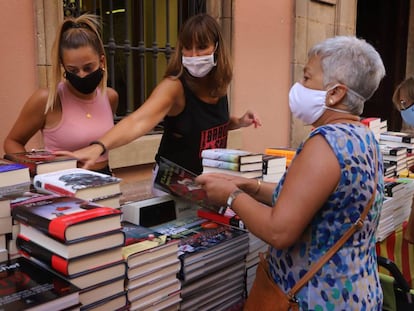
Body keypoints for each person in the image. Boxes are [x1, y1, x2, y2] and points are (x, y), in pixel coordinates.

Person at [196, 36, 386, 310]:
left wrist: (232, 195)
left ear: (335, 93)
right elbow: (308, 200)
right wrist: (251, 186)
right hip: (355, 290)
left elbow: (279, 230)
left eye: (307, 78)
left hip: (314, 296)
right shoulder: (363, 138)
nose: (299, 86)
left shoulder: (325, 144)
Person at [57, 13, 260, 180]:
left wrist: (238, 121)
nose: (194, 55)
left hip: (210, 183)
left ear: (217, 48)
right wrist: (99, 147)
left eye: (201, 47)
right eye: (187, 48)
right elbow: (139, 120)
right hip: (173, 187)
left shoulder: (219, 85)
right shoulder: (174, 86)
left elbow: (208, 125)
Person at [3, 13, 118, 175]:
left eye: (88, 68)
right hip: (61, 185)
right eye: (73, 70)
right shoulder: (48, 100)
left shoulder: (110, 97)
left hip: (105, 182)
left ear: (102, 62)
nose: (82, 75)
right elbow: (12, 142)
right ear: (63, 67)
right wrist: (38, 170)